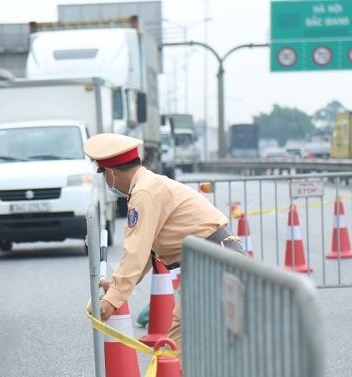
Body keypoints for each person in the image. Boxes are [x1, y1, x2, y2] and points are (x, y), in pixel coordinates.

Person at [84, 133, 247, 359]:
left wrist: (111, 301)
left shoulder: (143, 193)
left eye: (104, 175)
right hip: (216, 262)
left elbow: (136, 252)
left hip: (214, 265)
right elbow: (146, 254)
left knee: (179, 350)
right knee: (188, 348)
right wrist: (113, 288)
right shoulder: (149, 185)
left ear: (111, 173)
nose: (107, 182)